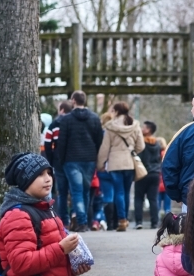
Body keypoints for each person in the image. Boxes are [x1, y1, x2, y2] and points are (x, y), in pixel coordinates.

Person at [55, 91, 103, 232]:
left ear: (73, 101)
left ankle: (81, 221)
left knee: (76, 191)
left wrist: (61, 159)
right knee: (86, 191)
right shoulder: (94, 118)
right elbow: (99, 139)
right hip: (89, 159)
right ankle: (85, 221)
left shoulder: (66, 119)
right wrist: (94, 154)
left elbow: (62, 142)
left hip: (71, 159)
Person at [97, 101, 145, 231]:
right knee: (126, 191)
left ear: (117, 111)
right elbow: (141, 146)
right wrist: (131, 150)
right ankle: (125, 219)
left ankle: (121, 220)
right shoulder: (135, 125)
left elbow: (104, 148)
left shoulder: (110, 126)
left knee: (118, 192)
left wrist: (100, 163)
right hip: (129, 162)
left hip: (114, 163)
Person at [44, 100, 74, 225]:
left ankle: (64, 220)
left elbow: (47, 143)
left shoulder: (54, 124)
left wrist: (50, 161)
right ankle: (75, 215)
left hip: (58, 161)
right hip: (73, 159)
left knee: (62, 192)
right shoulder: (74, 123)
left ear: (61, 110)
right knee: (76, 191)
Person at [134, 121, 164, 229]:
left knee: (138, 198)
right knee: (153, 199)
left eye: (144, 127)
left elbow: (139, 158)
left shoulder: (141, 143)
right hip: (155, 173)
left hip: (143, 173)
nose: (142, 129)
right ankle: (154, 222)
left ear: (148, 130)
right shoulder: (157, 143)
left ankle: (138, 222)